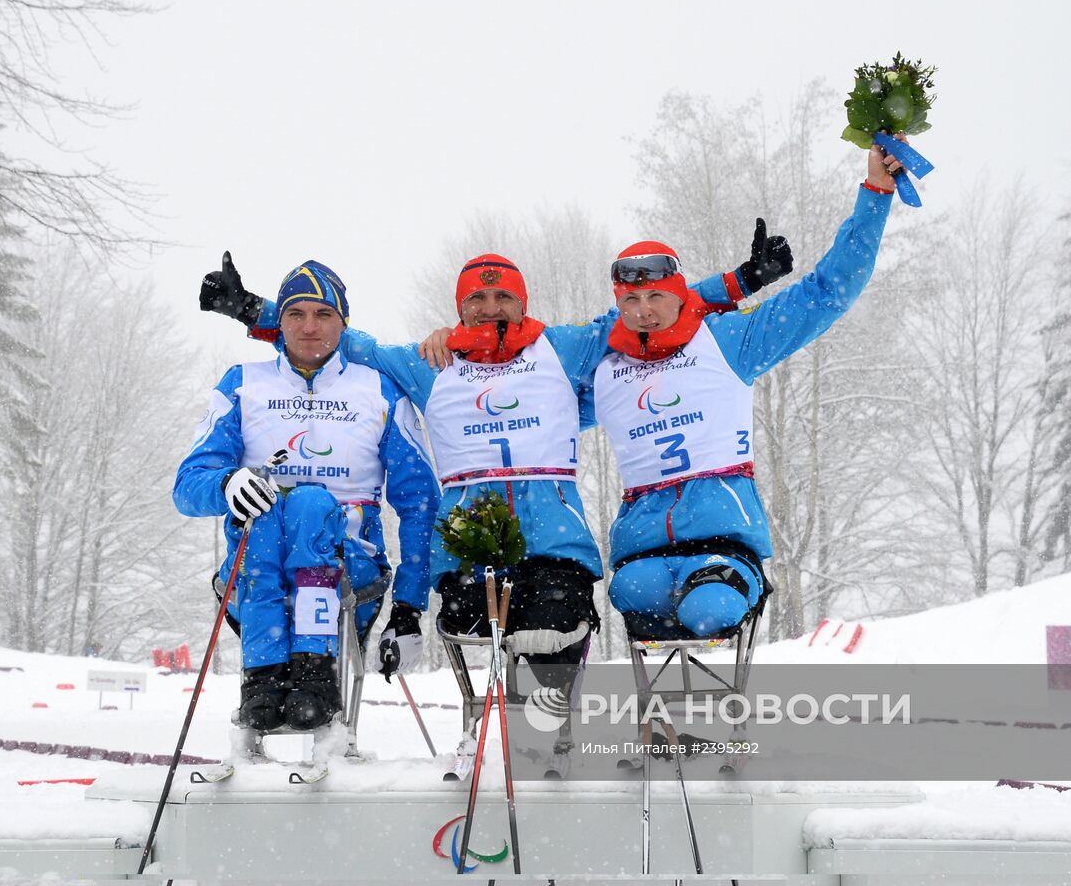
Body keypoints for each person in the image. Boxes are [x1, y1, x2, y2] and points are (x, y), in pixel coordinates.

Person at [202, 241, 793, 688]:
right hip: (468, 541)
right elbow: (338, 341)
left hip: (556, 538)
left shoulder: (562, 349)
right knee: (472, 623)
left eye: (502, 297)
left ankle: (548, 737)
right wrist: (255, 310)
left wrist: (737, 282)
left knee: (553, 624)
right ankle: (484, 738)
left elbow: (647, 313)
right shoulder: (430, 363)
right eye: (476, 300)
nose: (490, 307)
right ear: (460, 307)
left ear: (522, 302)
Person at [592, 141, 905, 640]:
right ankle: (659, 719)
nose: (643, 310)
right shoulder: (605, 367)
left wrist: (877, 192)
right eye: (631, 298)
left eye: (655, 296)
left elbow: (827, 291)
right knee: (635, 595)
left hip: (723, 538)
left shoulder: (726, 341)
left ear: (679, 296)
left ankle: (734, 593)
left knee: (708, 611)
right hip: (642, 546)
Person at [175, 259, 438, 732]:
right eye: (296, 314)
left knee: (313, 504)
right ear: (280, 321)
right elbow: (187, 486)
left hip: (349, 569)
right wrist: (226, 482)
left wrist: (409, 605)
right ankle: (264, 680)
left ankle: (314, 676)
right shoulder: (242, 384)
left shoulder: (378, 390)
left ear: (344, 321)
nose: (309, 327)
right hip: (258, 566)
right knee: (280, 510)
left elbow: (420, 501)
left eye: (324, 314)